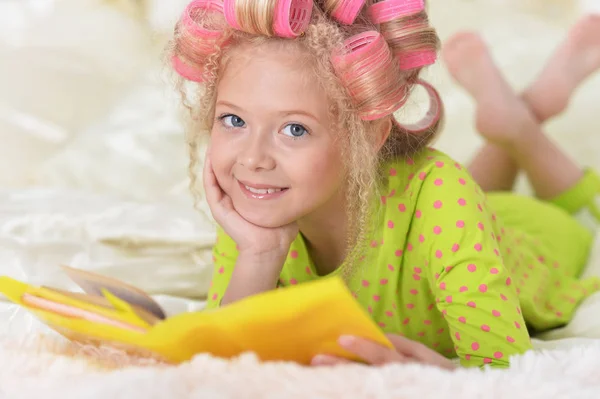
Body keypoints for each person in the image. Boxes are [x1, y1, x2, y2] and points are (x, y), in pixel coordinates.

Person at [169, 0, 600, 369]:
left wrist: (446, 381)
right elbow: (220, 364)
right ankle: (515, 119)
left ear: (371, 134)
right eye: (234, 120)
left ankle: (527, 119)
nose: (252, 159)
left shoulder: (440, 196)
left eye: (294, 130)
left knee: (581, 213)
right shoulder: (258, 209)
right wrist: (260, 253)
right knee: (449, 191)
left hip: (532, 234)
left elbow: (506, 368)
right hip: (440, 210)